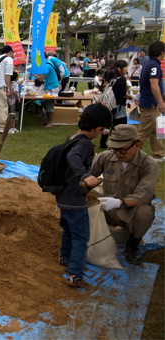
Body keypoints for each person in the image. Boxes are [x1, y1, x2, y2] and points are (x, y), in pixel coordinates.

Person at [55, 103, 112, 287]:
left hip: (63, 197)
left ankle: (64, 257)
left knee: (69, 230)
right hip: (75, 199)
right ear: (98, 128)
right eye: (103, 130)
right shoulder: (85, 144)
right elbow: (73, 157)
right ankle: (74, 275)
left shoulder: (73, 138)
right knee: (81, 236)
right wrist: (85, 175)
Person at [91, 124, 159, 264]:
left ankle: (133, 243)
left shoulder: (149, 165)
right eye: (114, 149)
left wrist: (118, 203)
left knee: (145, 212)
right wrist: (87, 183)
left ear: (137, 145)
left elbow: (143, 196)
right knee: (84, 198)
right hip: (106, 211)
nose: (118, 154)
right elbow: (87, 175)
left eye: (122, 150)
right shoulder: (105, 157)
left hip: (130, 212)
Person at [138, 40, 165, 162]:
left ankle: (159, 154)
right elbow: (154, 85)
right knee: (143, 132)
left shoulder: (149, 64)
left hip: (150, 102)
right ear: (162, 52)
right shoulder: (154, 66)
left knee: (157, 130)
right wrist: (161, 102)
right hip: (150, 103)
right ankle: (132, 154)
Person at [99, 61, 133, 148]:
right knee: (119, 127)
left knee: (108, 124)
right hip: (119, 106)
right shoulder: (121, 79)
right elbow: (122, 94)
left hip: (110, 105)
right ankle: (114, 144)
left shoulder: (112, 79)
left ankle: (103, 143)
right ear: (119, 68)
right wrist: (129, 96)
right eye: (125, 67)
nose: (126, 69)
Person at [29, 55, 61, 128]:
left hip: (52, 87)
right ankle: (47, 120)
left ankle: (50, 122)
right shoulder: (47, 64)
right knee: (47, 104)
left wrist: (33, 73)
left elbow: (40, 78)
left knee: (50, 104)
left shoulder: (47, 66)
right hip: (49, 86)